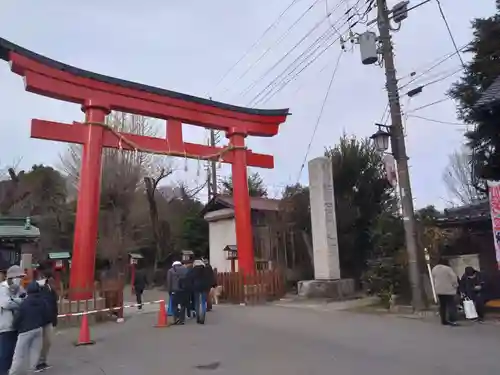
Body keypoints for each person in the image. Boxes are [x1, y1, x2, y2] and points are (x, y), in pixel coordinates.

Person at [9, 281, 49, 375]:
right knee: (34, 353)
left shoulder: (25, 303)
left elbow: (18, 318)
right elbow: (46, 315)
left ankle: (13, 373)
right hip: (38, 329)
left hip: (25, 331)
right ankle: (31, 372)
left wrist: (15, 326)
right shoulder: (42, 302)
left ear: (28, 291)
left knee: (19, 355)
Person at [0, 265, 26, 374]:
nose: (20, 279)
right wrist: (18, 301)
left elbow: (25, 299)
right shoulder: (2, 288)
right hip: (5, 326)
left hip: (16, 325)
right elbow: (6, 304)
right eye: (19, 277)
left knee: (12, 353)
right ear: (11, 277)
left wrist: (14, 300)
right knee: (5, 353)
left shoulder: (18, 288)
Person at [35, 266, 58, 372]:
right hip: (40, 319)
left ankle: (43, 361)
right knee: (40, 342)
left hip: (49, 318)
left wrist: (54, 318)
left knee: (48, 341)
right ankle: (37, 363)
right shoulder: (37, 287)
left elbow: (54, 304)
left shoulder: (50, 288)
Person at [432, 258, 459, 326]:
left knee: (442, 305)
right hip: (449, 290)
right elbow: (453, 278)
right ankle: (452, 320)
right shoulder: (448, 269)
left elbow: (433, 278)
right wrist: (455, 285)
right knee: (451, 305)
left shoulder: (434, 269)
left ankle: (443, 320)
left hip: (439, 290)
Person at [185, 259, 210, 324]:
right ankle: (203, 316)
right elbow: (209, 278)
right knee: (203, 302)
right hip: (204, 287)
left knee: (197, 302)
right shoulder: (206, 270)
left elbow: (188, 277)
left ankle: (198, 317)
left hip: (196, 287)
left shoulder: (193, 270)